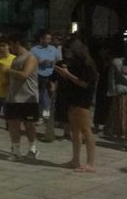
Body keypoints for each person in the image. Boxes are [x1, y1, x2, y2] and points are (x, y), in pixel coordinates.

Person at [55, 39, 98, 173]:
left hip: (82, 99)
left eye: (68, 50)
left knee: (85, 130)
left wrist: (67, 74)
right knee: (74, 130)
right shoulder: (75, 63)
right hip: (72, 97)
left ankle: (90, 163)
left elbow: (85, 84)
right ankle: (75, 159)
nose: (66, 52)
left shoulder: (87, 65)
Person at [4, 33, 40, 160]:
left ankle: (32, 148)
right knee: (13, 124)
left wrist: (9, 71)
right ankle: (16, 150)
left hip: (28, 98)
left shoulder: (31, 57)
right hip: (13, 97)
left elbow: (25, 74)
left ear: (17, 43)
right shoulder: (15, 59)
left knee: (29, 124)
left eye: (11, 45)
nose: (9, 48)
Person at [30, 30, 61, 120]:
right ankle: (39, 113)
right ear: (41, 39)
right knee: (39, 94)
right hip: (39, 74)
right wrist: (39, 62)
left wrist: (53, 62)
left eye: (49, 39)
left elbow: (59, 60)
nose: (49, 41)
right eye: (47, 39)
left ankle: (48, 111)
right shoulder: (34, 50)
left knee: (50, 93)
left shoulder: (53, 49)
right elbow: (30, 62)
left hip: (51, 74)